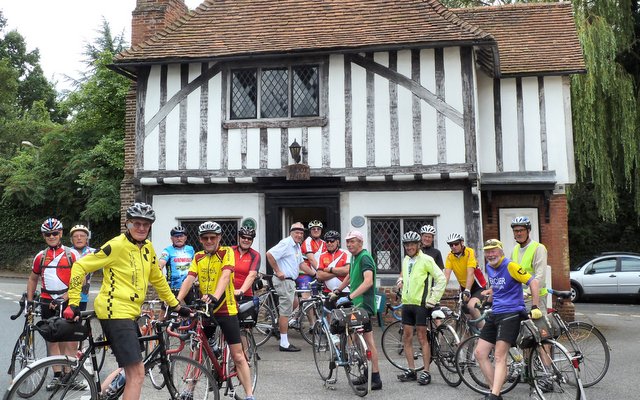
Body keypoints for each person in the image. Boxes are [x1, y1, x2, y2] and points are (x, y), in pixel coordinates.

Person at [64, 203, 191, 400]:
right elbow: (80, 266)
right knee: (137, 373)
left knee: (128, 369)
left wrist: (175, 305)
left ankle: (98, 397)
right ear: (128, 224)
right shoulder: (116, 245)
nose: (141, 228)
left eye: (146, 224)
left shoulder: (147, 248)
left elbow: (157, 278)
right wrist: (73, 302)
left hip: (129, 313)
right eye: (136, 223)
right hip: (114, 311)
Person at [176, 221, 254, 400]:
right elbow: (189, 279)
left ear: (219, 237)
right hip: (206, 310)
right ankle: (189, 389)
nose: (209, 240)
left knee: (238, 355)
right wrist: (176, 301)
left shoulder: (227, 253)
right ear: (200, 240)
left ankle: (249, 395)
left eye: (213, 237)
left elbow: (226, 276)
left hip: (226, 309)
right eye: (205, 238)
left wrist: (215, 296)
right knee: (197, 350)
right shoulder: (198, 257)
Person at [475, 239, 542, 400]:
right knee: (480, 353)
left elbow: (533, 282)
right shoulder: (490, 268)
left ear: (501, 251)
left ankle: (494, 395)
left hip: (512, 313)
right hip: (496, 312)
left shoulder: (511, 265)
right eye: (487, 251)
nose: (490, 254)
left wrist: (535, 306)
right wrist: (487, 298)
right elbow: (499, 290)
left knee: (499, 356)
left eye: (493, 250)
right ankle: (495, 390)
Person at [27, 218, 82, 390]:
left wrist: (67, 296)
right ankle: (57, 376)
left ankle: (70, 375)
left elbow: (81, 278)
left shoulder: (72, 254)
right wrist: (30, 302)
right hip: (46, 301)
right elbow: (33, 278)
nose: (51, 236)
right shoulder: (40, 256)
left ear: (61, 234)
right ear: (44, 236)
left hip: (68, 301)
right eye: (47, 234)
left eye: (54, 233)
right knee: (52, 340)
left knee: (71, 341)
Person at [333, 230, 382, 391]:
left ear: (360, 242)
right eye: (348, 242)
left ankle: (376, 378)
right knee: (359, 342)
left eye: (353, 241)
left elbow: (368, 281)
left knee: (369, 342)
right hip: (357, 304)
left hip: (364, 305)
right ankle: (366, 374)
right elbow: (349, 275)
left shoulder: (365, 257)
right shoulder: (354, 258)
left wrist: (350, 296)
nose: (349, 244)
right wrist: (338, 290)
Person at [395, 231, 447, 385]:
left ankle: (426, 372)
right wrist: (400, 281)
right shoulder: (405, 260)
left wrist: (433, 299)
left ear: (418, 245)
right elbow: (405, 275)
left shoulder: (427, 259)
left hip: (421, 305)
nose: (409, 247)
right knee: (407, 338)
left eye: (412, 244)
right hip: (407, 304)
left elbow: (441, 279)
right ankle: (411, 370)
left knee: (423, 338)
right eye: (407, 244)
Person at [265, 222, 316, 352]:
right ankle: (284, 343)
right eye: (296, 233)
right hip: (284, 281)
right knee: (285, 312)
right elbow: (269, 254)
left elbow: (301, 265)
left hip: (290, 282)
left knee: (295, 303)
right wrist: (277, 271)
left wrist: (316, 274)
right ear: (291, 233)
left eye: (301, 233)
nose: (299, 235)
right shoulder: (286, 243)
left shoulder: (296, 246)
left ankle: (277, 323)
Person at [444, 232, 487, 325]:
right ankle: (469, 338)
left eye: (456, 244)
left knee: (471, 306)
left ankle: (484, 332)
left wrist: (467, 290)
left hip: (477, 286)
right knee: (464, 314)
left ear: (462, 243)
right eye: (451, 245)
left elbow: (470, 272)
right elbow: (446, 275)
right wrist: (439, 290)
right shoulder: (450, 256)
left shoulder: (469, 252)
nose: (453, 246)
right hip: (464, 287)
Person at [510, 216, 548, 312]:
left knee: (538, 326)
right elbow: (510, 272)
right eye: (516, 231)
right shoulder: (515, 249)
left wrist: (527, 292)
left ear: (528, 231)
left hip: (535, 298)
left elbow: (541, 276)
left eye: (521, 230)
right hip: (518, 299)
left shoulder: (538, 248)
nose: (519, 233)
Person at [158, 225, 196, 306]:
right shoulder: (167, 250)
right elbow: (160, 265)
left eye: (181, 236)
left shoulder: (190, 249)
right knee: (167, 311)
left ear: (185, 238)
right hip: (173, 287)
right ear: (171, 238)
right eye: (176, 236)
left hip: (189, 287)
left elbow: (196, 265)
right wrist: (161, 281)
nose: (179, 238)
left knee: (194, 311)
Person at [69, 224, 96, 311]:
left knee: (78, 320)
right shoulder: (67, 252)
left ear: (87, 238)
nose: (79, 238)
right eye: (75, 236)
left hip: (83, 295)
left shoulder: (93, 253)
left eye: (82, 236)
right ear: (71, 240)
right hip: (67, 294)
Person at [232, 226, 261, 300]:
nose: (246, 240)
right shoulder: (230, 251)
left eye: (249, 238)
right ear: (239, 238)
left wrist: (241, 290)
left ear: (252, 240)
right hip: (227, 293)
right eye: (243, 237)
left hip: (245, 294)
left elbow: (252, 275)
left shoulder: (255, 255)